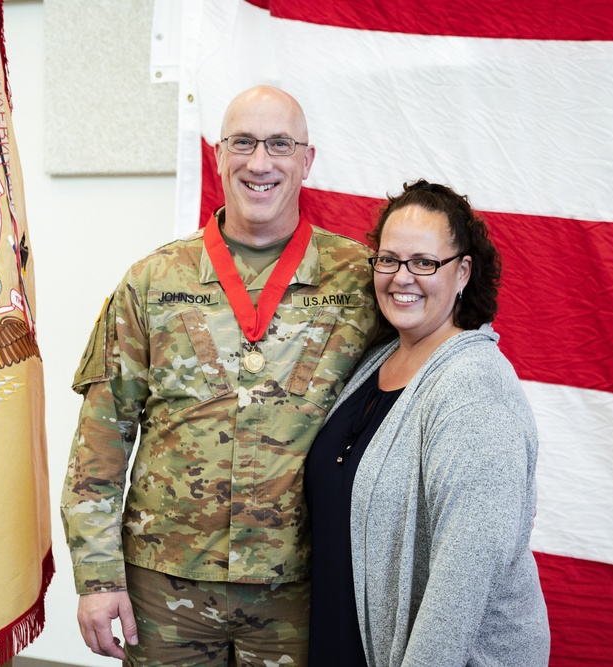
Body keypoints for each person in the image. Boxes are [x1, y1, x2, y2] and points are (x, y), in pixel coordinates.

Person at [60, 86, 379, 666]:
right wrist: (97, 578)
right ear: (218, 155)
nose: (260, 162)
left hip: (301, 586)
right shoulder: (152, 281)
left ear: (307, 161)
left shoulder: (361, 283)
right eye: (243, 142)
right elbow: (100, 446)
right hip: (164, 589)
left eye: (280, 144)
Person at [305, 179, 550, 666]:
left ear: (462, 273)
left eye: (424, 263)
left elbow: (463, 582)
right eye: (389, 259)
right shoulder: (375, 362)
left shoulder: (474, 389)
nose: (402, 277)